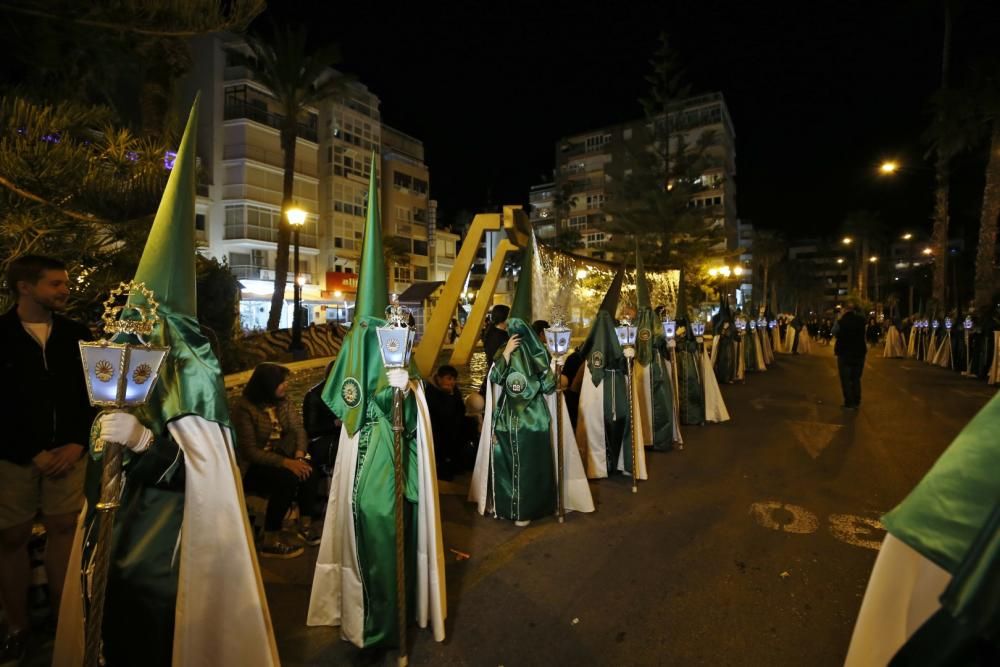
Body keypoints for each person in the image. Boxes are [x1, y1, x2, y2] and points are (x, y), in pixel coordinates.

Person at [55, 100, 278, 667]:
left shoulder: (192, 366)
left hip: (170, 544)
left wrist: (144, 443)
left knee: (155, 636)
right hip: (113, 526)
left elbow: (205, 469)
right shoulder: (121, 356)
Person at [308, 155, 445, 650]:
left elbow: (419, 407)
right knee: (365, 524)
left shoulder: (398, 349)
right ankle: (367, 618)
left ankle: (398, 615)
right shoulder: (355, 348)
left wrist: (404, 390)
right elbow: (343, 402)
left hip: (397, 452)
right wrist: (373, 399)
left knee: (395, 526)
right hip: (361, 450)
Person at [0, 255, 94, 662]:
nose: (65, 290)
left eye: (65, 282)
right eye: (55, 283)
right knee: (12, 538)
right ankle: (18, 626)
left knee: (64, 531)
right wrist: (30, 451)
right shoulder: (1, 334)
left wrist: (77, 442)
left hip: (68, 455)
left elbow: (91, 392)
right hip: (13, 457)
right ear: (25, 287)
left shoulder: (76, 333)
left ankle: (64, 618)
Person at [232, 363, 321, 557]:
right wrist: (287, 463)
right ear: (267, 385)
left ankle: (304, 524)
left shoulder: (283, 402)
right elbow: (250, 451)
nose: (286, 385)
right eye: (282, 382)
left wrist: (299, 454)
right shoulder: (244, 409)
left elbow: (299, 430)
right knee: (286, 478)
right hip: (254, 466)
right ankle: (270, 539)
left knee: (309, 469)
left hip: (283, 455)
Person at [424, 365, 470, 480]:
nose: (452, 382)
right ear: (439, 378)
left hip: (451, 423)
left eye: (454, 379)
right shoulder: (430, 391)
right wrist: (448, 396)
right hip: (436, 426)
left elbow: (461, 409)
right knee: (446, 432)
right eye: (449, 378)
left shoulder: (454, 391)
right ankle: (443, 466)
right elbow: (440, 412)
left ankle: (459, 461)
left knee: (469, 425)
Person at [303, 360, 342, 476]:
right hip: (322, 441)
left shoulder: (348, 391)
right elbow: (310, 430)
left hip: (341, 436)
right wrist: (334, 423)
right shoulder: (313, 396)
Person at [833, 299, 867, 409]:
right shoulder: (861, 320)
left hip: (844, 353)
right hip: (859, 353)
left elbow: (834, 332)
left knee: (846, 379)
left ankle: (849, 402)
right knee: (856, 378)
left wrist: (838, 319)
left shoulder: (841, 321)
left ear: (844, 309)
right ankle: (857, 400)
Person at [479, 304, 510, 395]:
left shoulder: (492, 333)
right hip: (499, 376)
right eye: (509, 315)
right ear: (503, 317)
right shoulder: (500, 336)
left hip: (493, 374)